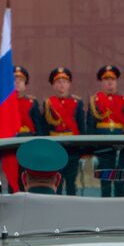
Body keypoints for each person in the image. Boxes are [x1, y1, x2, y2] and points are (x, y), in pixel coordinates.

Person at [87, 65, 124, 198]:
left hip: (121, 145)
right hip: (103, 147)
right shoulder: (95, 101)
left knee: (120, 180)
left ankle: (121, 209)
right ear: (101, 82)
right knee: (106, 180)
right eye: (106, 80)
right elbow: (90, 127)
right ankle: (105, 210)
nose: (110, 83)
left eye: (113, 80)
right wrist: (91, 150)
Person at [44, 67, 86, 195]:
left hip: (72, 148)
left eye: (64, 82)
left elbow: (81, 127)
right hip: (55, 147)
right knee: (57, 181)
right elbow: (44, 128)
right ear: (53, 85)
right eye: (58, 82)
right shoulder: (48, 103)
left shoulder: (77, 102)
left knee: (71, 182)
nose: (61, 85)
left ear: (69, 84)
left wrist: (83, 150)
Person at [10, 66, 42, 136]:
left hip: (28, 139)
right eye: (14, 79)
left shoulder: (32, 102)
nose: (17, 82)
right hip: (7, 141)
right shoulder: (2, 103)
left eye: (21, 80)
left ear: (25, 84)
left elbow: (38, 128)